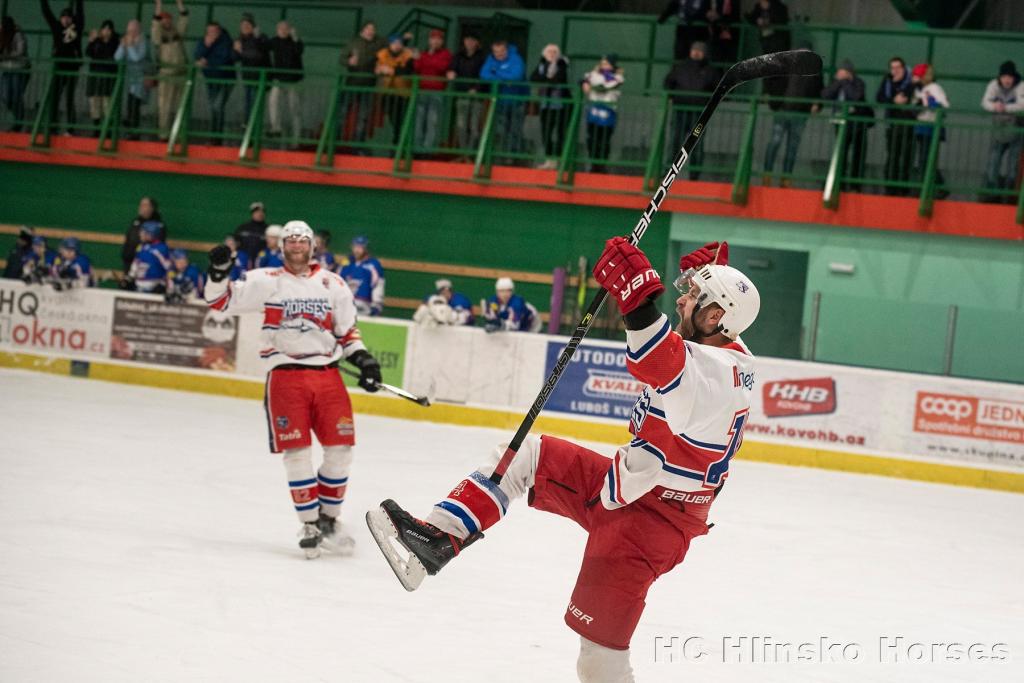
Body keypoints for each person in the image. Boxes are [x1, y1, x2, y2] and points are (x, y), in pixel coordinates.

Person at [367, 240, 760, 683]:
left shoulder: (718, 373)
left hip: (652, 526)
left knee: (599, 656)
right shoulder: (719, 344)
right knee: (526, 456)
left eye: (693, 297)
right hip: (624, 486)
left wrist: (636, 294)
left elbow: (655, 357)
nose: (682, 299)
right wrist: (713, 273)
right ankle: (436, 541)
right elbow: (703, 332)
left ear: (713, 318)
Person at [204, 220, 382, 558]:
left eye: (303, 240)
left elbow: (348, 333)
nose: (297, 245)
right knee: (297, 453)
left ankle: (329, 519)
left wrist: (365, 362)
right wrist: (218, 271)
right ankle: (310, 524)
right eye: (291, 241)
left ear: (313, 246)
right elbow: (220, 302)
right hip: (285, 376)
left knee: (341, 451)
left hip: (328, 376)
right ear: (281, 247)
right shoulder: (264, 280)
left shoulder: (334, 284)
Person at [762, 46, 823, 187]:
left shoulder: (815, 72)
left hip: (799, 113)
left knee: (792, 147)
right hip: (783, 110)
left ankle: (785, 178)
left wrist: (817, 104)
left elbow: (819, 91)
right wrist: (769, 95)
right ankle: (767, 175)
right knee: (775, 143)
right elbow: (769, 79)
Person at [663, 41, 719, 180]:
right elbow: (668, 82)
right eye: (694, 49)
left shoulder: (710, 70)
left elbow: (717, 88)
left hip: (699, 113)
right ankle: (668, 173)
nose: (696, 52)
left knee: (696, 146)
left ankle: (695, 176)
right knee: (675, 142)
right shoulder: (680, 67)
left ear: (704, 53)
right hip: (681, 110)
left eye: (699, 50)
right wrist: (671, 96)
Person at [981, 60, 1024, 201]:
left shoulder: (1021, 86)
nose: (1007, 80)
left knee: (1013, 165)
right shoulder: (993, 85)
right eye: (1004, 76)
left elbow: (1022, 105)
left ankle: (1009, 195)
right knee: (994, 161)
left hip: (1016, 130)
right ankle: (992, 192)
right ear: (1000, 77)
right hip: (999, 130)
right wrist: (995, 106)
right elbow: (984, 102)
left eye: (1010, 77)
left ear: (1014, 77)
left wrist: (1005, 107)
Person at [41, 0, 85, 133]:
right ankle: (52, 127)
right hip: (58, 67)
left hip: (72, 68)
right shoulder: (56, 27)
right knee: (54, 97)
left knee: (69, 99)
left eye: (68, 17)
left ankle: (70, 129)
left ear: (72, 19)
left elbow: (81, 13)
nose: (65, 20)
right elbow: (47, 13)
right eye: (63, 17)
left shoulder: (77, 27)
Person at [480, 40, 527, 162]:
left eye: (501, 51)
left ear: (506, 50)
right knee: (501, 130)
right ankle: (500, 155)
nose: (499, 54)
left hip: (517, 101)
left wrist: (496, 72)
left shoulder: (516, 58)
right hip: (499, 101)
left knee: (515, 129)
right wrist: (503, 77)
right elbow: (484, 74)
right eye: (496, 52)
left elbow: (516, 76)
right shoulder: (491, 59)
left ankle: (513, 157)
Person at [876, 56, 915, 196]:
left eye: (898, 67)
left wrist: (903, 100)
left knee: (905, 157)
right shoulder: (887, 81)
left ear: (904, 68)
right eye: (893, 68)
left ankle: (903, 189)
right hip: (892, 125)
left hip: (907, 126)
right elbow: (879, 97)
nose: (895, 71)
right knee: (892, 156)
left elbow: (912, 98)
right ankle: (890, 188)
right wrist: (893, 100)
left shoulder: (911, 82)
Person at [340, 21, 385, 144]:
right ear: (362, 30)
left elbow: (392, 48)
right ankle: (337, 137)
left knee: (364, 115)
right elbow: (342, 58)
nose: (371, 31)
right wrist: (349, 61)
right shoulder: (354, 42)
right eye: (368, 29)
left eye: (373, 29)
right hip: (352, 82)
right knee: (343, 111)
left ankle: (358, 141)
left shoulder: (379, 42)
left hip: (369, 84)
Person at [151, 0, 189, 140]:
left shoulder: (177, 32)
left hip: (181, 73)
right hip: (166, 74)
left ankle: (180, 133)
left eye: (168, 19)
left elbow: (184, 18)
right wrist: (158, 6)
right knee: (164, 106)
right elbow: (154, 25)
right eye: (163, 19)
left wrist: (179, 4)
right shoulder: (159, 36)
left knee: (181, 106)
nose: (166, 22)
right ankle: (163, 135)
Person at [530, 44, 571, 169]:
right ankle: (549, 159)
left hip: (561, 105)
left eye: (555, 51)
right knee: (546, 133)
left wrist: (546, 79)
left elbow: (558, 80)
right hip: (545, 105)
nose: (552, 54)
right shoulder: (541, 65)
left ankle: (559, 160)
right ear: (544, 53)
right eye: (549, 51)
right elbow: (533, 78)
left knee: (561, 133)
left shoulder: (562, 64)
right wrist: (547, 78)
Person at [582, 55, 625, 174]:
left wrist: (591, 85)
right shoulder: (594, 74)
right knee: (592, 138)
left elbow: (603, 87)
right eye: (602, 64)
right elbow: (585, 79)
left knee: (604, 139)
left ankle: (602, 164)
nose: (604, 66)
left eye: (607, 64)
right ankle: (593, 164)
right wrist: (585, 83)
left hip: (608, 110)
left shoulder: (618, 77)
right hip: (594, 109)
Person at [911, 63, 949, 196]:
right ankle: (933, 186)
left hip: (931, 127)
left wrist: (930, 102)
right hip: (921, 127)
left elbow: (944, 105)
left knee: (927, 159)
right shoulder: (917, 90)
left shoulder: (934, 88)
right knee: (924, 159)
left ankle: (931, 186)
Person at [411, 29, 451, 154]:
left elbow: (441, 67)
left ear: (442, 41)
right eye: (433, 38)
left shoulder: (446, 54)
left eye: (438, 39)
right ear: (429, 40)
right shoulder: (423, 54)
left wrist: (428, 58)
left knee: (432, 121)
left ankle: (427, 150)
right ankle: (416, 149)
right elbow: (417, 67)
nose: (435, 41)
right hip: (422, 90)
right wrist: (423, 58)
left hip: (436, 92)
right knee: (418, 121)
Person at [193, 22, 234, 141]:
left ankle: (217, 136)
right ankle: (215, 135)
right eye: (209, 31)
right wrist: (207, 45)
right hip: (210, 79)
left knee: (217, 106)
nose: (212, 33)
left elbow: (223, 58)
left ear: (219, 31)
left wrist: (207, 62)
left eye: (214, 31)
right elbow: (197, 55)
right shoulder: (204, 41)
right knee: (213, 106)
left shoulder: (225, 41)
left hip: (225, 79)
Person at [447, 33, 486, 156]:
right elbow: (452, 68)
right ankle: (463, 152)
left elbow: (484, 75)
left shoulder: (482, 57)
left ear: (477, 43)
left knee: (474, 125)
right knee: (461, 124)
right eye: (467, 39)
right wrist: (450, 73)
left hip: (477, 96)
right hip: (462, 93)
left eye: (472, 40)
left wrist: (476, 88)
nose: (469, 42)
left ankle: (471, 152)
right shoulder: (458, 56)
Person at [745, 0, 790, 101]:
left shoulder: (780, 7)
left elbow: (782, 20)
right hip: (766, 42)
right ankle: (766, 93)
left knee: (776, 69)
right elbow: (752, 17)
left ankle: (776, 95)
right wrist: (757, 20)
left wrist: (769, 21)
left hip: (778, 43)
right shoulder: (758, 6)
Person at [267, 20, 303, 143]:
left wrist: (295, 38)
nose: (283, 30)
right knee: (273, 101)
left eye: (285, 28)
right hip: (279, 79)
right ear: (277, 30)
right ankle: (276, 127)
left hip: (294, 80)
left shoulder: (295, 42)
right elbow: (262, 47)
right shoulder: (274, 41)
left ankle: (296, 138)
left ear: (290, 30)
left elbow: (299, 51)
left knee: (294, 109)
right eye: (280, 28)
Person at [376, 34, 415, 145]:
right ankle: (397, 141)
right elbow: (377, 68)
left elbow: (407, 70)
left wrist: (391, 70)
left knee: (401, 119)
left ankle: (398, 143)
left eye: (399, 43)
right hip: (387, 92)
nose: (397, 46)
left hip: (403, 93)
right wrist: (380, 69)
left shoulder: (407, 55)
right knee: (394, 119)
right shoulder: (382, 54)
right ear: (390, 44)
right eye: (394, 43)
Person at [115, 19, 150, 136]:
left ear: (138, 30)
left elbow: (137, 58)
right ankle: (130, 130)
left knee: (135, 104)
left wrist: (129, 46)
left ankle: (135, 132)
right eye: (129, 30)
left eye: (133, 30)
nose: (131, 33)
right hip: (129, 79)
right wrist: (122, 46)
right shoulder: (127, 39)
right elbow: (117, 57)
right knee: (129, 103)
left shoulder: (143, 41)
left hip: (140, 78)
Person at [233, 12, 270, 122]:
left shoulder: (260, 37)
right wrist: (236, 51)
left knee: (255, 104)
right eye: (243, 26)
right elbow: (235, 58)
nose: (245, 28)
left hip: (259, 78)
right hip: (247, 77)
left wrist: (241, 51)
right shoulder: (240, 39)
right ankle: (248, 127)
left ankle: (253, 129)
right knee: (248, 103)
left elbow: (257, 55)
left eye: (248, 25)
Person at [85, 20, 119, 134]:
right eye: (104, 28)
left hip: (108, 77)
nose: (106, 31)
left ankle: (107, 129)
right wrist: (91, 40)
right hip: (95, 76)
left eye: (109, 29)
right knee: (94, 101)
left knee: (107, 103)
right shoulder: (96, 41)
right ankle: (96, 127)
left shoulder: (115, 42)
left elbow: (111, 56)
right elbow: (88, 52)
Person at [339, 235, 385, 317]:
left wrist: (376, 305)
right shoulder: (346, 262)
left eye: (360, 247)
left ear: (366, 248)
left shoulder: (374, 264)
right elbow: (336, 282)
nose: (357, 250)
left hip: (364, 307)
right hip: (344, 306)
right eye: (355, 246)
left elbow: (378, 285)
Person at [0, 16, 30, 132]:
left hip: (20, 69)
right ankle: (19, 118)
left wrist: (5, 56)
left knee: (16, 96)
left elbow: (20, 51)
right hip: (7, 69)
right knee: (5, 96)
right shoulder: (2, 36)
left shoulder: (18, 34)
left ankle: (19, 121)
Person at [121, 196, 164, 275]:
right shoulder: (135, 222)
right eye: (141, 205)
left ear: (151, 208)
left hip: (145, 266)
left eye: (144, 205)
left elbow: (156, 246)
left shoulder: (158, 225)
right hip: (129, 262)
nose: (141, 207)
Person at [127, 220, 171, 293]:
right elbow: (136, 262)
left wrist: (163, 283)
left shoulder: (161, 248)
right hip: (139, 285)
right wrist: (130, 277)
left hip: (154, 286)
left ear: (151, 234)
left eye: (143, 232)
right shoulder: (141, 247)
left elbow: (168, 267)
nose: (140, 234)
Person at [707, 0, 740, 64]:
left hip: (731, 36)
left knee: (731, 61)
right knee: (717, 60)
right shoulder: (717, 2)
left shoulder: (735, 2)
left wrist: (720, 18)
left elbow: (735, 16)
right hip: (718, 36)